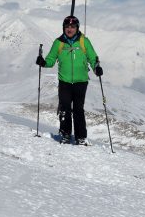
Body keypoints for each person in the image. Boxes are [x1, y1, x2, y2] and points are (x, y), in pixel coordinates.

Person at [36, 15, 103, 145]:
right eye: (67, 27)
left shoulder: (84, 41)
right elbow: (51, 60)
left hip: (81, 81)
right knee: (65, 108)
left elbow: (92, 57)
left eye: (72, 27)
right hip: (64, 81)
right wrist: (43, 62)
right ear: (63, 28)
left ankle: (81, 137)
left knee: (78, 109)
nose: (70, 29)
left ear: (77, 28)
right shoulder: (59, 43)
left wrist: (97, 68)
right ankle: (65, 134)